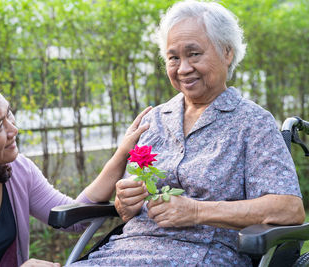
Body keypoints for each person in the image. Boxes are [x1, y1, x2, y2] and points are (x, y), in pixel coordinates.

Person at [71, 1, 305, 266]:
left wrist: (196, 211)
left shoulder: (253, 123)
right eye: (174, 58)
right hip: (125, 252)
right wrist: (126, 201)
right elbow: (127, 209)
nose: (183, 68)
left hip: (203, 255)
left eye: (194, 54)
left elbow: (289, 208)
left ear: (226, 53)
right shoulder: (153, 120)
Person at [0, 73, 152, 267]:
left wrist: (122, 154)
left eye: (8, 114)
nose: (13, 129)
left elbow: (72, 219)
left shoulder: (15, 170)